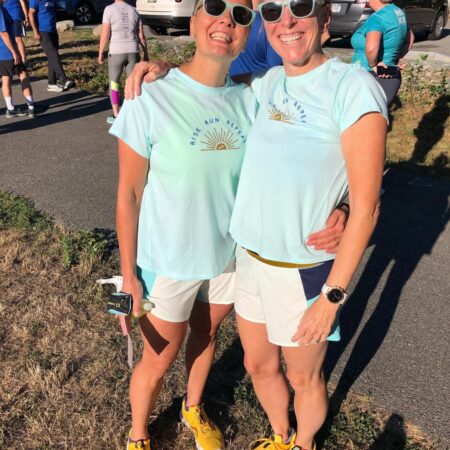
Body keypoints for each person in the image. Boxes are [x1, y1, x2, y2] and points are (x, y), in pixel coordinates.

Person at [111, 0, 347, 449]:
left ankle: (192, 407)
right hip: (168, 259)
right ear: (194, 21)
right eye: (216, 7)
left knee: (207, 336)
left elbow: (310, 153)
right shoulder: (150, 98)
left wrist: (346, 205)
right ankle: (138, 433)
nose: (226, 20)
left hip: (228, 257)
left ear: (246, 34)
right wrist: (128, 275)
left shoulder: (251, 98)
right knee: (158, 360)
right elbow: (129, 194)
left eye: (241, 16)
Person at [227, 0, 388, 448]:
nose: (287, 21)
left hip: (302, 271)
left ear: (325, 18)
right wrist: (161, 68)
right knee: (257, 365)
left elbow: (368, 206)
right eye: (273, 11)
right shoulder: (267, 82)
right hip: (250, 258)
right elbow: (206, 82)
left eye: (300, 6)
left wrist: (332, 297)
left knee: (303, 377)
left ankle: (305, 443)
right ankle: (281, 436)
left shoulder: (351, 87)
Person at [351, 0, 414, 105]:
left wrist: (374, 65)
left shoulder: (377, 18)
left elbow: (371, 49)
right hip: (389, 75)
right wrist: (394, 58)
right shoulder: (398, 12)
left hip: (370, 77)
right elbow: (410, 40)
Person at [98, 0, 148, 124]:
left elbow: (105, 34)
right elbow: (141, 35)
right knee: (133, 83)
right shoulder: (134, 10)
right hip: (133, 51)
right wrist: (146, 53)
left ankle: (116, 114)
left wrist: (100, 53)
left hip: (116, 51)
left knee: (114, 83)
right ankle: (132, 112)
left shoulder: (109, 9)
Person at [29, 0, 74, 93]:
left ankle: (51, 83)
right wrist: (35, 31)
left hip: (53, 31)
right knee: (53, 54)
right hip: (43, 31)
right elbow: (31, 14)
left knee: (52, 57)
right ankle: (63, 79)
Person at [0, 0, 35, 118]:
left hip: (1, 52)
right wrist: (14, 52)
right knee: (23, 74)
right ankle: (31, 107)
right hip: (7, 50)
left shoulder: (3, 8)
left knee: (6, 78)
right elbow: (3, 33)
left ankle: (10, 109)